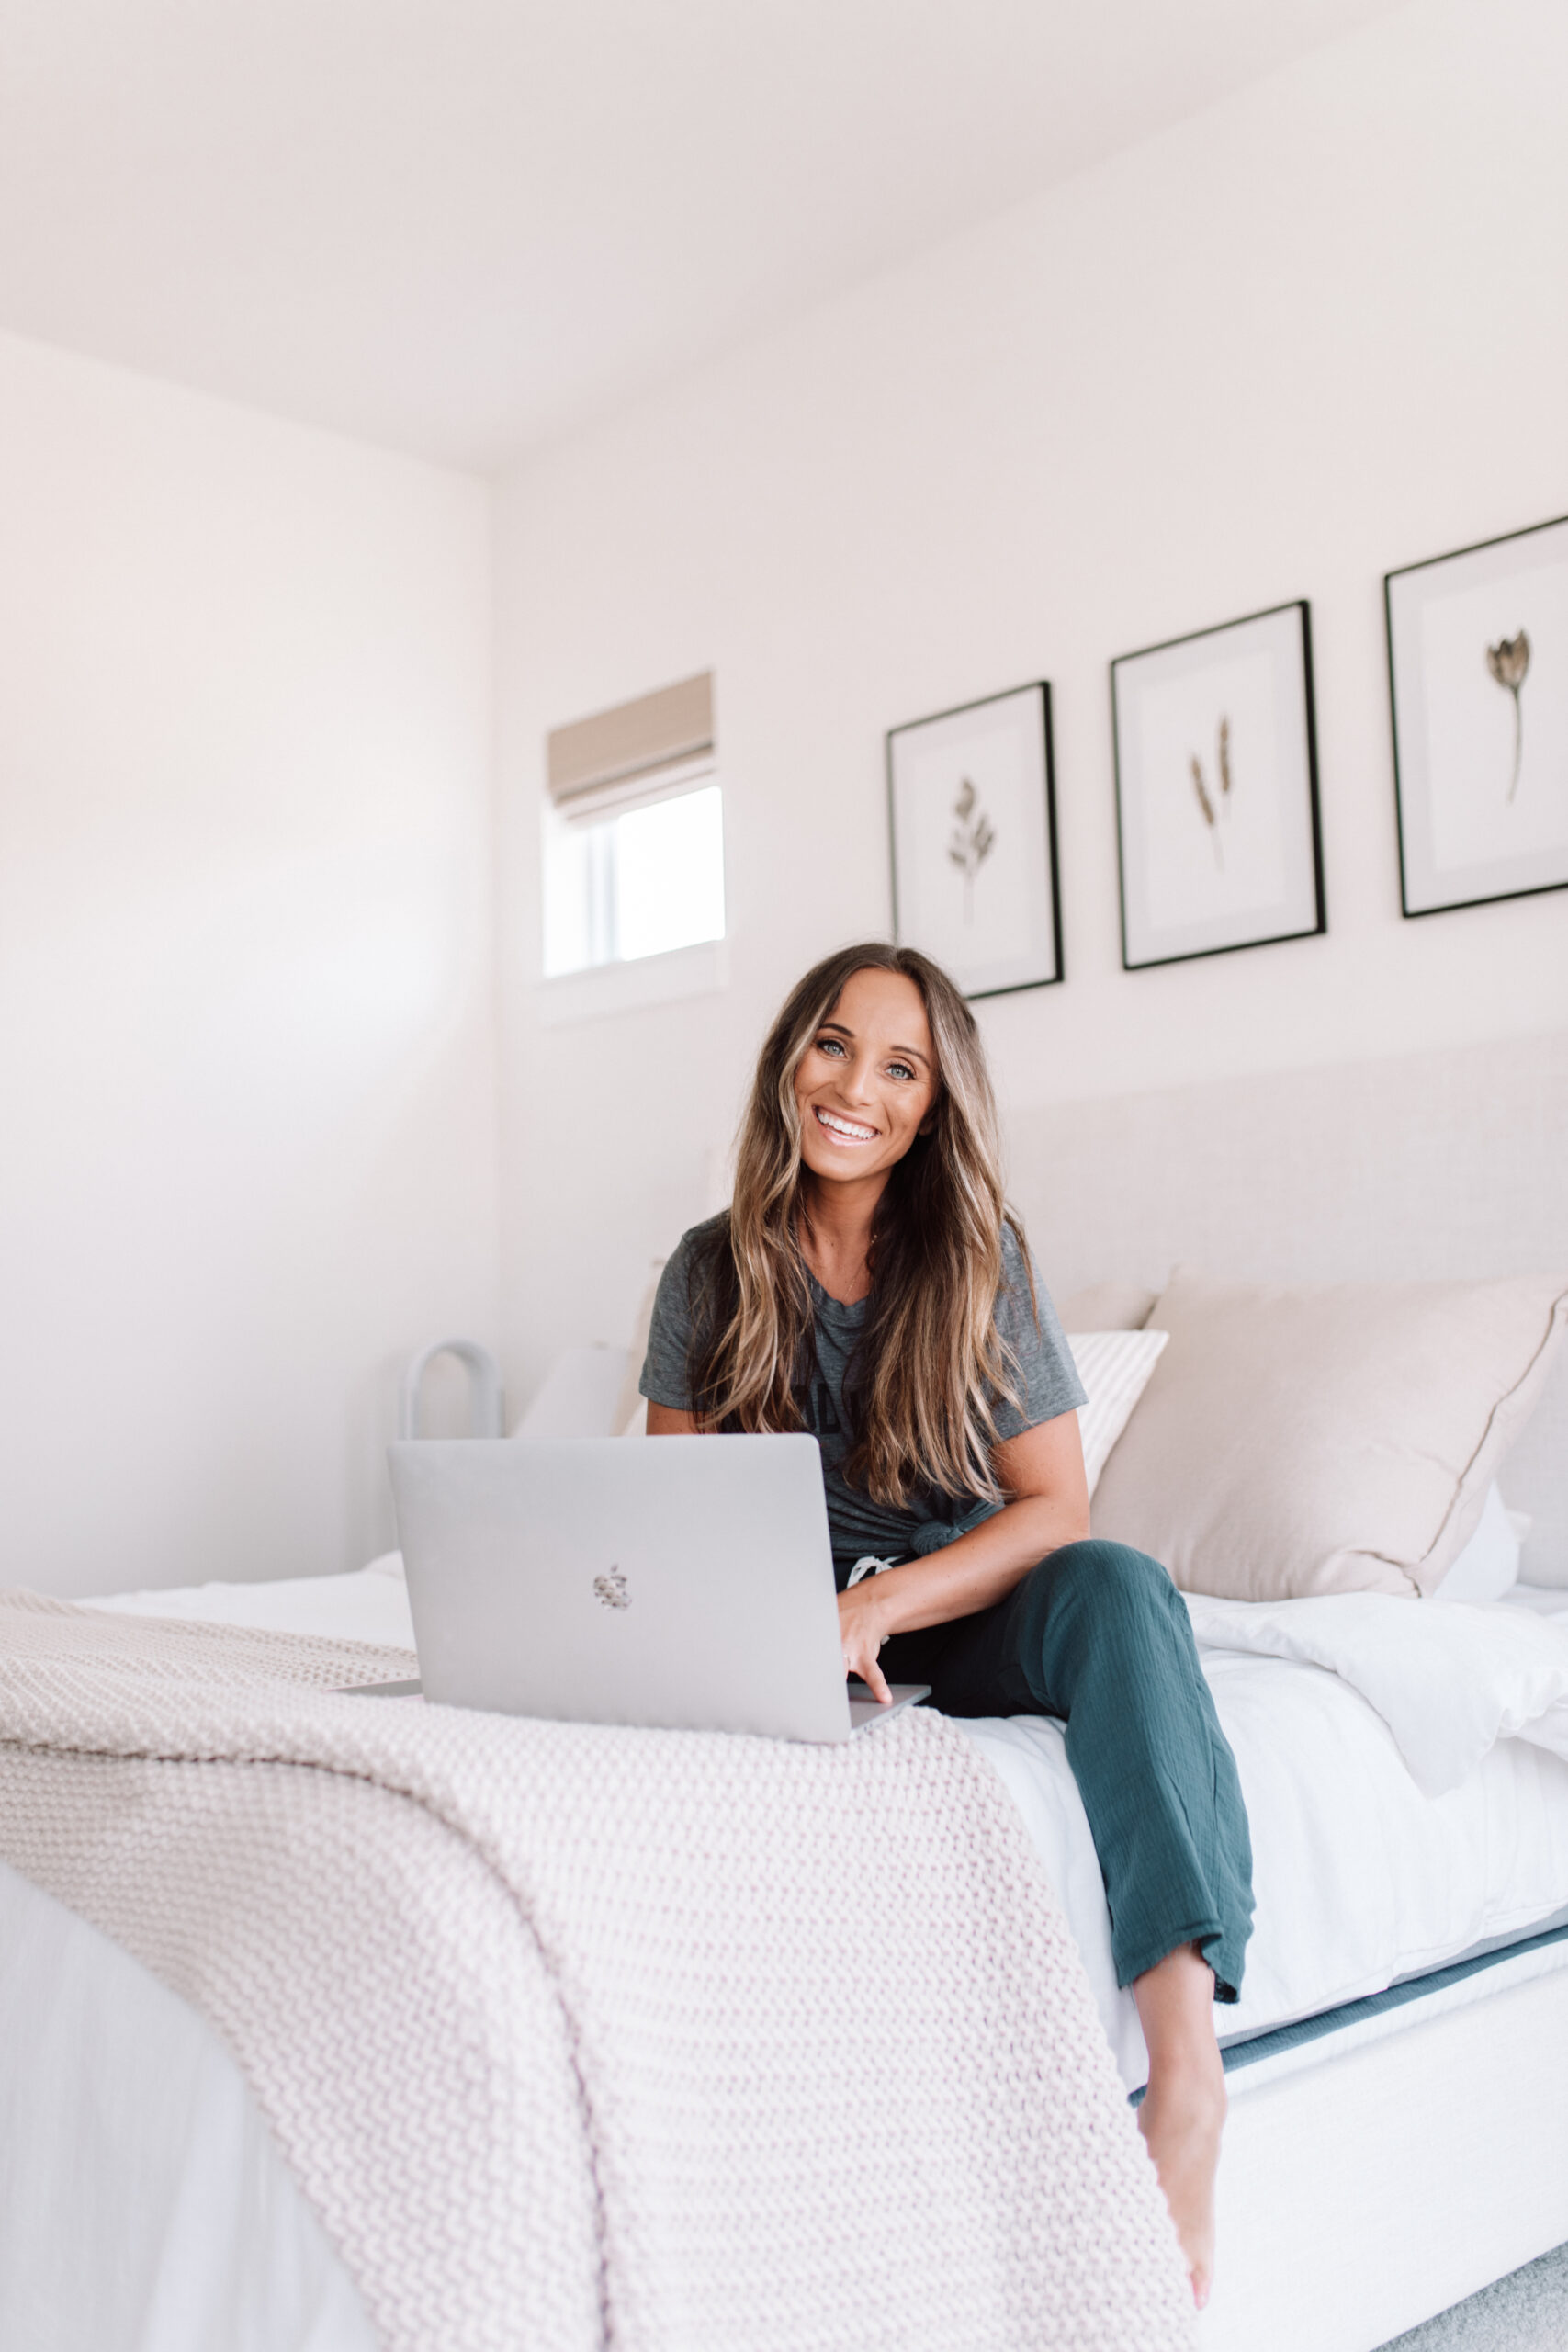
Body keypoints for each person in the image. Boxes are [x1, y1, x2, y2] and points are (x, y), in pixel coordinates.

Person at [639, 941, 1253, 2308]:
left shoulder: (981, 1259)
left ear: (932, 1107)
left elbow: (1053, 1512)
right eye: (832, 1045)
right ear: (789, 1058)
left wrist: (874, 1605)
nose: (855, 1086)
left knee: (1125, 1592)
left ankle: (1189, 2087)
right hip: (774, 1622)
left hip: (947, 1603)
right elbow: (656, 1513)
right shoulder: (705, 1270)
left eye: (899, 1066)